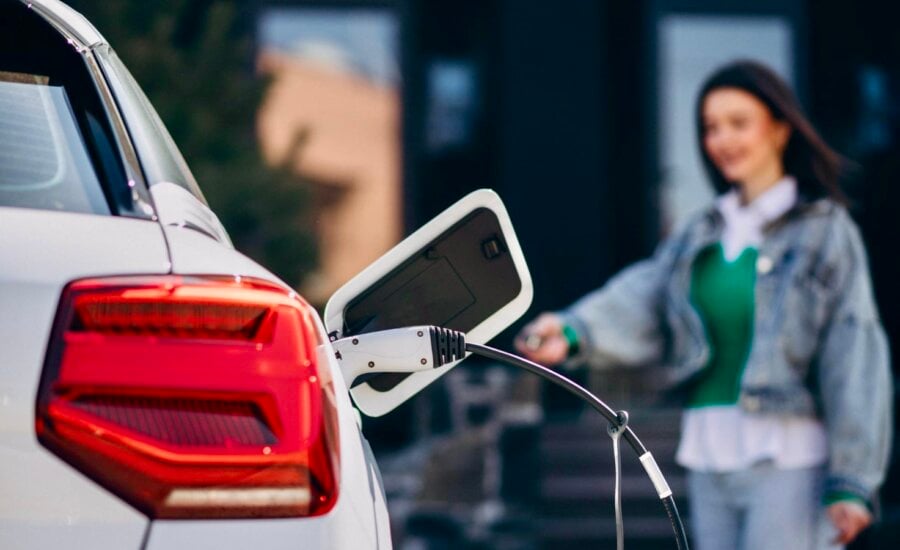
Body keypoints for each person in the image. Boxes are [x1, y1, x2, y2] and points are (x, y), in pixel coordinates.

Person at [515, 60, 892, 550]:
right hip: (709, 455)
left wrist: (853, 479)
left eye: (739, 123)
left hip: (790, 461)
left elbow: (855, 350)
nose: (722, 140)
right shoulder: (701, 232)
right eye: (711, 127)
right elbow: (644, 296)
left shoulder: (825, 232)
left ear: (779, 130)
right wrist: (571, 330)